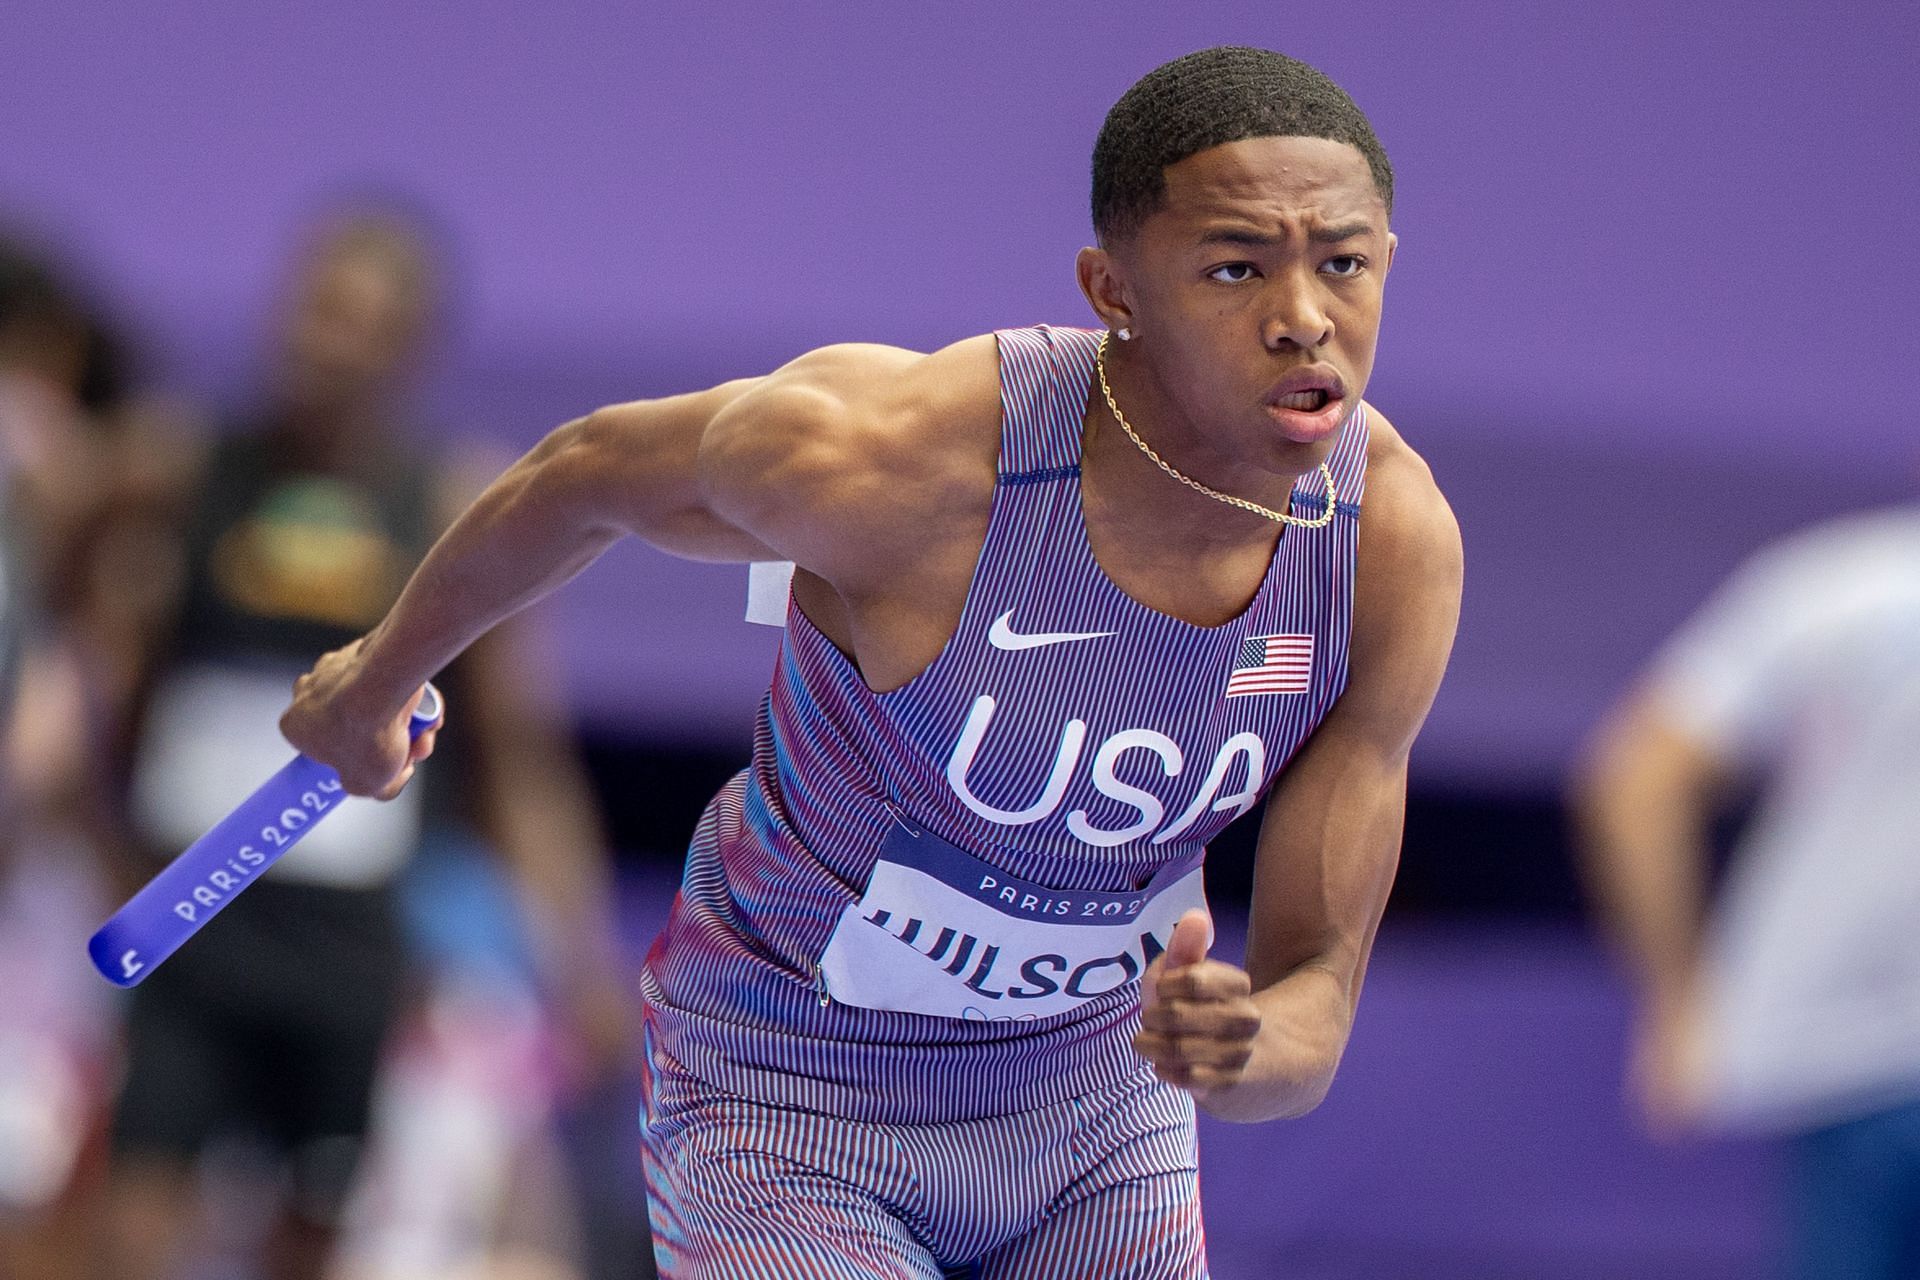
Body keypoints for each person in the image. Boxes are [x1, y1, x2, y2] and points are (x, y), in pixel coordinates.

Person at [283, 47, 1462, 1280]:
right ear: (1114, 289)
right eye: (1235, 266)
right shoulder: (906, 461)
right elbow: (582, 474)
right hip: (786, 1094)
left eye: (1345, 260)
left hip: (1095, 1122)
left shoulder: (1390, 547)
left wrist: (1245, 1046)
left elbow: (1315, 1002)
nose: (1304, 316)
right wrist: (377, 680)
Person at [99, 203, 632, 1280]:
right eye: (311, 309)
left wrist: (578, 955)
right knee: (128, 1221)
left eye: (355, 321)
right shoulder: (181, 467)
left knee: (314, 1233)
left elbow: (518, 754)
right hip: (193, 916)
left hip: (345, 944)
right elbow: (111, 685)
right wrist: (95, 842)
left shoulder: (447, 504)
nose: (322, 341)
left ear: (408, 345)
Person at [1575, 504, 1920, 1279]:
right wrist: (1677, 1003)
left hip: (1847, 1072)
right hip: (1852, 1074)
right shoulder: (1836, 591)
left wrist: (1678, 1006)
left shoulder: (1834, 587)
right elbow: (1638, 783)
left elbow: (1636, 780)